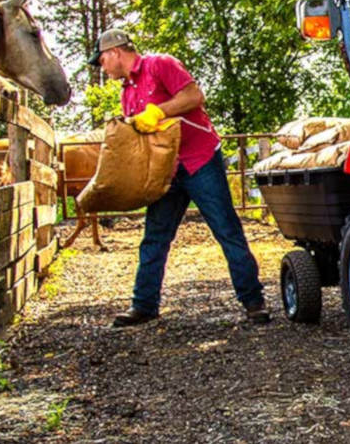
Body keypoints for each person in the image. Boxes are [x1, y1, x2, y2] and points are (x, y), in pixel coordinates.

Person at [90, 29, 268, 326]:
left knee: (226, 229)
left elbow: (194, 96)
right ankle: (144, 305)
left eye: (102, 60)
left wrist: (157, 111)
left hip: (200, 160)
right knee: (154, 237)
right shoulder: (126, 92)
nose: (102, 67)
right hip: (167, 170)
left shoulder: (161, 64)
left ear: (116, 52)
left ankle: (254, 302)